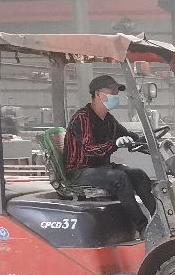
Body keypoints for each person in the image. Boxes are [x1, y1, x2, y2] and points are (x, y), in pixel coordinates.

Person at [62, 74, 157, 230]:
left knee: (138, 174)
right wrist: (115, 144)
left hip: (101, 168)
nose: (115, 96)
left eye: (116, 92)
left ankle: (160, 219)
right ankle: (143, 227)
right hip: (80, 171)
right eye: (111, 92)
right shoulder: (82, 118)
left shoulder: (108, 119)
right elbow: (89, 150)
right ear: (98, 94)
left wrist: (148, 142)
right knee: (120, 178)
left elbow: (129, 136)